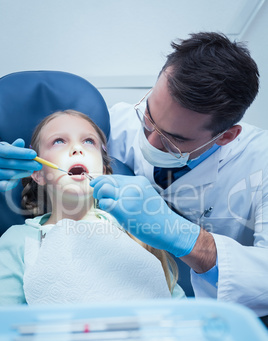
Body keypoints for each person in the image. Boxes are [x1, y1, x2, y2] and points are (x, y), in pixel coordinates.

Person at [1, 32, 267, 318]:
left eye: (172, 140)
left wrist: (186, 238)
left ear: (226, 136)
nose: (149, 142)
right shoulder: (118, 124)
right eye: (149, 118)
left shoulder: (259, 165)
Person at [0, 110, 183, 305]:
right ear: (38, 174)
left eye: (89, 141)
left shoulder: (134, 231)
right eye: (59, 141)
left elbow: (180, 313)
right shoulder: (18, 241)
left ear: (103, 170)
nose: (77, 148)